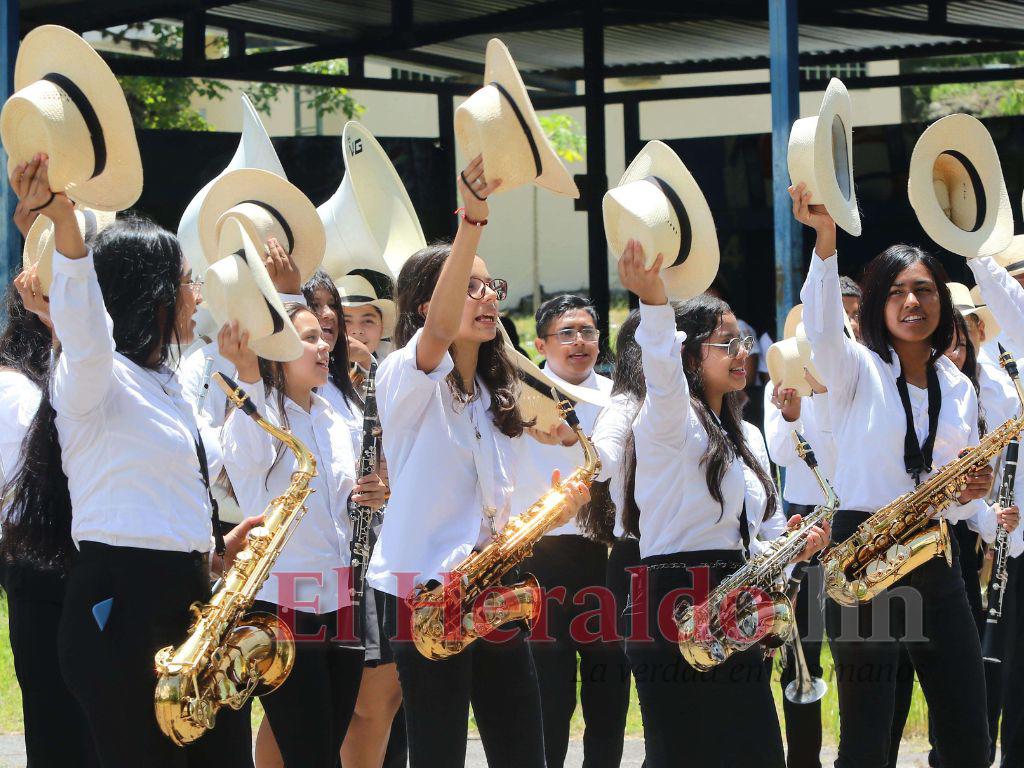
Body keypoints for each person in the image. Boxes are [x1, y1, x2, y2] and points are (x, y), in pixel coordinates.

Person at [3, 156, 256, 767]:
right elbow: (86, 328)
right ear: (156, 291)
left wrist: (218, 552)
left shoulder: (166, 383)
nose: (199, 296)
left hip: (186, 594)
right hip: (119, 604)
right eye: (189, 280)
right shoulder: (96, 375)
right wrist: (64, 225)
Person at [364, 156, 590, 768]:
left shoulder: (494, 396)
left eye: (493, 286)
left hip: (487, 588)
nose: (487, 297)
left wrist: (555, 506)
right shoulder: (404, 376)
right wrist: (472, 223)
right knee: (436, 753)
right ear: (424, 304)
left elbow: (502, 500)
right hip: (425, 595)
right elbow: (438, 331)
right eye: (471, 286)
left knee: (524, 748)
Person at [792, 182, 994, 768]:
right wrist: (825, 241)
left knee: (967, 727)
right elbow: (825, 326)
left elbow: (952, 487)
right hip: (863, 548)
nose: (913, 303)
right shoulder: (855, 366)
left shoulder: (957, 386)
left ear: (942, 304)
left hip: (934, 549)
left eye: (926, 291)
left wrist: (967, 493)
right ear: (879, 304)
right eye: (899, 292)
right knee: (868, 731)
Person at [617, 241, 828, 768]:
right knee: (681, 753)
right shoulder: (667, 418)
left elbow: (753, 532)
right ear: (691, 354)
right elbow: (661, 367)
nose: (744, 353)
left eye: (744, 341)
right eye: (727, 344)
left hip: (736, 592)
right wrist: (653, 300)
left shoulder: (745, 432)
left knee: (755, 751)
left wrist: (794, 544)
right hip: (670, 596)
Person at [219, 299, 385, 768]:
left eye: (323, 337)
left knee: (325, 743)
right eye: (307, 339)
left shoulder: (335, 415)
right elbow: (246, 458)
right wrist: (248, 373)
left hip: (343, 595)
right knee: (310, 750)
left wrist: (376, 490)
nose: (323, 346)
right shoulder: (255, 413)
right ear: (275, 350)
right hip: (282, 603)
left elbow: (356, 499)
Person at [513, 294, 628, 768]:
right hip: (541, 560)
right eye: (566, 333)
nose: (579, 342)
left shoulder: (620, 395)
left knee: (609, 692)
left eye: (588, 331)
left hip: (605, 557)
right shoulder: (517, 393)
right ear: (541, 342)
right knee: (549, 695)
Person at [764, 371, 835, 768]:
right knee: (800, 650)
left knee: (863, 647)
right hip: (805, 518)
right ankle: (805, 760)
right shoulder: (784, 380)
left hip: (854, 511)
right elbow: (780, 454)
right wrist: (791, 416)